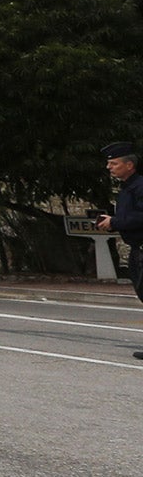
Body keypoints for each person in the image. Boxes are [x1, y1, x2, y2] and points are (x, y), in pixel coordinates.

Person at [93, 142, 143, 361]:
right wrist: (112, 222)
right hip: (137, 250)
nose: (109, 167)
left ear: (129, 165)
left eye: (114, 163)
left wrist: (116, 220)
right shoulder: (126, 190)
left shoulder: (140, 187)